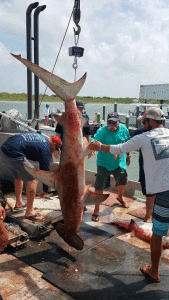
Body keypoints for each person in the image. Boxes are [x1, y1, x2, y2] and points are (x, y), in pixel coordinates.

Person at [88, 107, 167, 283]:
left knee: (158, 233)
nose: (142, 124)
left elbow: (119, 148)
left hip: (163, 192)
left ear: (152, 122)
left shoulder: (143, 137)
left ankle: (154, 271)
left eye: (144, 122)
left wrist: (99, 146)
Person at [0, 132, 62, 221]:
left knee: (18, 176)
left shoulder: (41, 137)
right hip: (14, 152)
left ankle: (19, 203)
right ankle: (30, 212)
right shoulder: (46, 149)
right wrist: (45, 190)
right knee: (33, 179)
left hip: (4, 149)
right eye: (56, 149)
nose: (54, 151)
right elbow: (45, 173)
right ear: (54, 144)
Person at [90, 112, 131, 222]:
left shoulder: (124, 129)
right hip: (103, 163)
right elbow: (93, 140)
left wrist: (128, 155)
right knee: (99, 187)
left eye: (114, 122)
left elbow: (128, 143)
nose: (111, 124)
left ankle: (120, 197)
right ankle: (96, 209)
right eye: (109, 122)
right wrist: (94, 143)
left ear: (118, 121)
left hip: (119, 162)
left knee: (123, 182)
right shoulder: (102, 131)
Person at [132, 126, 156, 222]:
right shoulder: (140, 131)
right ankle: (148, 215)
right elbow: (129, 142)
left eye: (144, 122)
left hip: (159, 169)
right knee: (148, 193)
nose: (143, 124)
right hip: (145, 168)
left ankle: (152, 215)